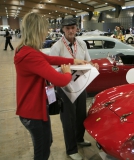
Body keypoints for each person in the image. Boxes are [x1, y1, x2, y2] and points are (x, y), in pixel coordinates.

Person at [14, 13, 87, 160]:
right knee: (42, 153)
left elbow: (50, 59)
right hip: (33, 111)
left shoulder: (27, 50)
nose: (46, 33)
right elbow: (59, 80)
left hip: (35, 107)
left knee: (47, 142)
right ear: (37, 31)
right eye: (44, 30)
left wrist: (73, 60)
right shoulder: (30, 55)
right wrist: (67, 72)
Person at [50, 18, 99, 160]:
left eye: (73, 28)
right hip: (65, 88)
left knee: (80, 115)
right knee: (68, 119)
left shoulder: (82, 44)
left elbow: (88, 60)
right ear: (63, 30)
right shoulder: (57, 47)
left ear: (77, 28)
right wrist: (65, 70)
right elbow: (52, 69)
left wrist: (93, 65)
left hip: (81, 85)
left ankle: (79, 139)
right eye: (68, 28)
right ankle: (71, 149)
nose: (71, 30)